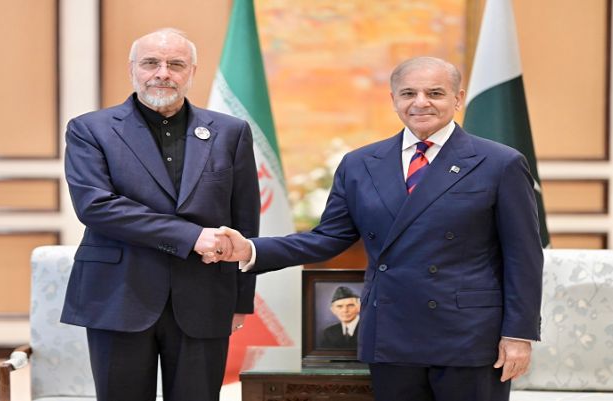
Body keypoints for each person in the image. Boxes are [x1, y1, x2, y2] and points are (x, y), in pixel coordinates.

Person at [214, 56, 544, 401]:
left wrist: (518, 335)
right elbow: (328, 237)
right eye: (409, 93)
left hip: (469, 334)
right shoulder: (360, 164)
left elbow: (523, 257)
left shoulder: (499, 163)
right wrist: (251, 249)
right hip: (391, 330)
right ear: (393, 99)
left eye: (435, 93)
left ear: (457, 98)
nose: (421, 103)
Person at [60, 28, 260, 401]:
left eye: (176, 64)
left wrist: (240, 300)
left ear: (192, 72)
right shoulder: (90, 129)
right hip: (118, 295)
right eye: (151, 63)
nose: (162, 73)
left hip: (205, 297)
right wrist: (192, 236)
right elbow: (96, 206)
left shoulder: (230, 132)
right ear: (132, 69)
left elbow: (244, 221)